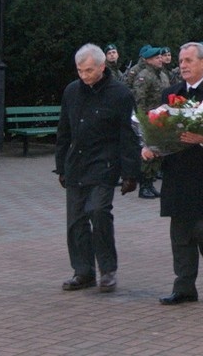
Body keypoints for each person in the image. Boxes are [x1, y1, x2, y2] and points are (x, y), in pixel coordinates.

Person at [143, 42, 203, 305]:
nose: (183, 65)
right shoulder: (170, 93)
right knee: (181, 232)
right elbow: (160, 127)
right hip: (177, 171)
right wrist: (151, 147)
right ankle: (184, 287)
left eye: (188, 60)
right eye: (181, 60)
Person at [55, 43, 140, 293]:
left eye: (89, 70)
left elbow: (129, 135)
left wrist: (131, 173)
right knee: (76, 221)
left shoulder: (120, 94)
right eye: (80, 70)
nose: (84, 75)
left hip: (104, 163)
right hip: (77, 164)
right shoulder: (72, 91)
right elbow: (64, 132)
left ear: (102, 67)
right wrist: (61, 166)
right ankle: (82, 271)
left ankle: (108, 270)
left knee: (99, 211)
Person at [130, 45, 170, 199]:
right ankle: (144, 185)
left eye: (160, 57)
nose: (160, 59)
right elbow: (139, 100)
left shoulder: (163, 75)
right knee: (148, 152)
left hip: (162, 118)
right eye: (156, 58)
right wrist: (143, 120)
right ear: (147, 60)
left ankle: (151, 182)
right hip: (148, 119)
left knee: (158, 151)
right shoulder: (144, 76)